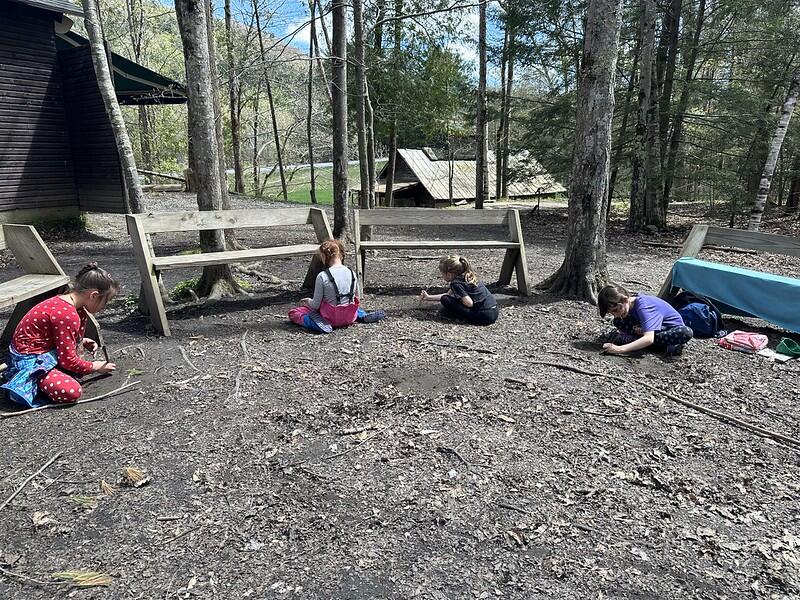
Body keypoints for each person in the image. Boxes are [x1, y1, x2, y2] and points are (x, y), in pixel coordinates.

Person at [2, 263, 119, 407]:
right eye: (105, 302)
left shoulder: (66, 303)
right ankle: (26, 384)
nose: (104, 307)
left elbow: (54, 335)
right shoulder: (67, 314)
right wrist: (94, 367)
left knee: (72, 373)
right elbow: (68, 360)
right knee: (71, 391)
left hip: (42, 351)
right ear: (94, 295)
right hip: (30, 360)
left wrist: (80, 341)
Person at [288, 239, 385, 333]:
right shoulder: (352, 273)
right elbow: (357, 297)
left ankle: (319, 324)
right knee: (352, 306)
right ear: (341, 255)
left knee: (295, 312)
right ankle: (363, 315)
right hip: (350, 317)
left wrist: (308, 301)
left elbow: (315, 305)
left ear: (324, 257)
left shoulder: (322, 276)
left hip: (330, 317)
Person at [598, 284, 693, 356]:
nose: (616, 315)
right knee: (618, 321)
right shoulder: (628, 308)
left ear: (626, 300)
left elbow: (649, 338)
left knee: (686, 332)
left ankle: (644, 343)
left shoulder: (643, 306)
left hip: (668, 330)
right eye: (612, 313)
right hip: (651, 330)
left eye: (616, 310)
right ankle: (646, 344)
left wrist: (619, 349)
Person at [420, 255, 499, 326]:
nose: (441, 276)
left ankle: (459, 317)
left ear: (449, 274)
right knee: (447, 299)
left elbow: (469, 303)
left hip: (484, 316)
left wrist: (459, 301)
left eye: (442, 274)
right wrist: (428, 297)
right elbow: (448, 294)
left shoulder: (456, 284)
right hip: (494, 311)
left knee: (445, 300)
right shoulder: (468, 276)